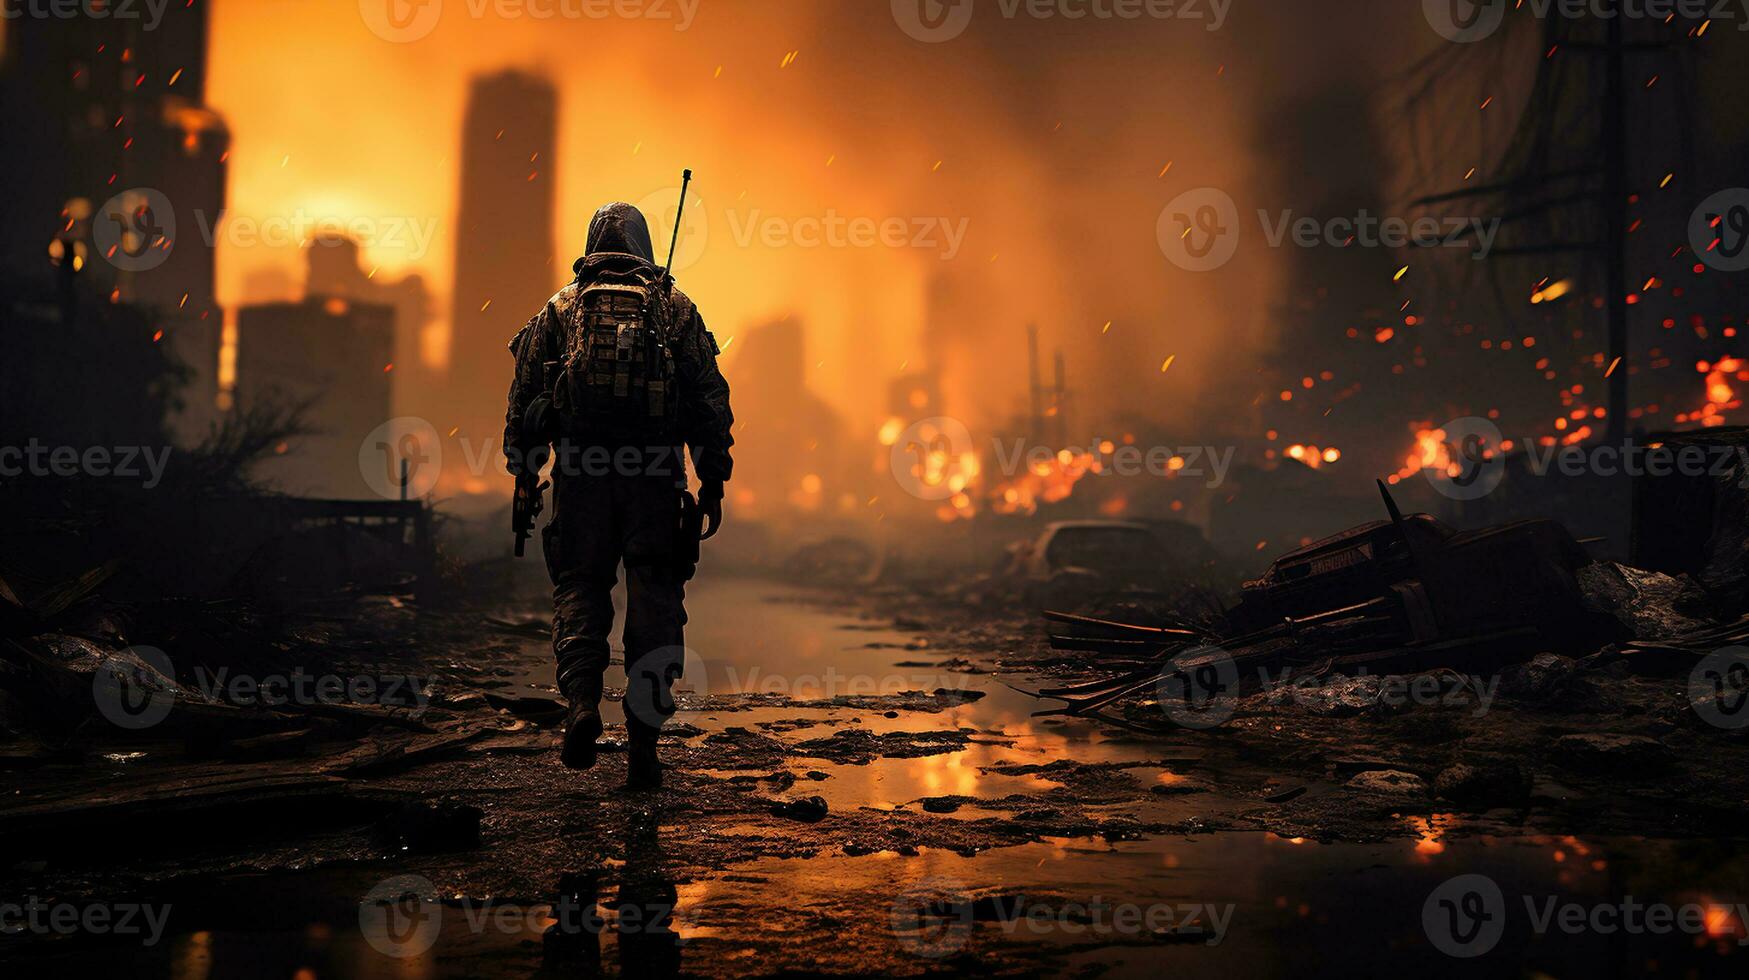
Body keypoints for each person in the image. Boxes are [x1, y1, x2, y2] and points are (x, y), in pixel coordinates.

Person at [505, 201, 733, 789]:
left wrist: (525, 474)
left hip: (581, 476)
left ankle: (581, 704)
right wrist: (713, 480)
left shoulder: (557, 309)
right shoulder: (675, 309)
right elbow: (709, 402)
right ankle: (643, 749)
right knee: (655, 604)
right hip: (655, 479)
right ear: (644, 245)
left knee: (580, 590)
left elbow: (525, 402)